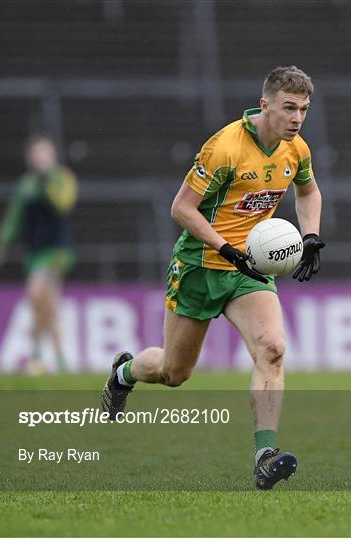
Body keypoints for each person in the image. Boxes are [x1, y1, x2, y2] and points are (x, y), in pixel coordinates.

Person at [101, 66, 325, 490]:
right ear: (265, 105)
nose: (297, 118)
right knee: (173, 372)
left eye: (304, 110)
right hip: (201, 266)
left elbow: (308, 191)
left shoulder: (296, 151)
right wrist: (224, 248)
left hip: (249, 272)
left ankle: (264, 455)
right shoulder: (224, 147)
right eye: (289, 108)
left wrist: (310, 235)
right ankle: (124, 373)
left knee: (273, 350)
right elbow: (181, 209)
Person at [0, 135, 78, 374]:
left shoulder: (62, 178)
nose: (41, 157)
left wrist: (47, 179)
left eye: (45, 153)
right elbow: (15, 216)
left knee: (35, 293)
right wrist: (3, 240)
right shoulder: (25, 185)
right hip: (33, 253)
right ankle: (59, 360)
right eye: (37, 153)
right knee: (49, 306)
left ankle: (37, 352)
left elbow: (64, 204)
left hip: (56, 252)